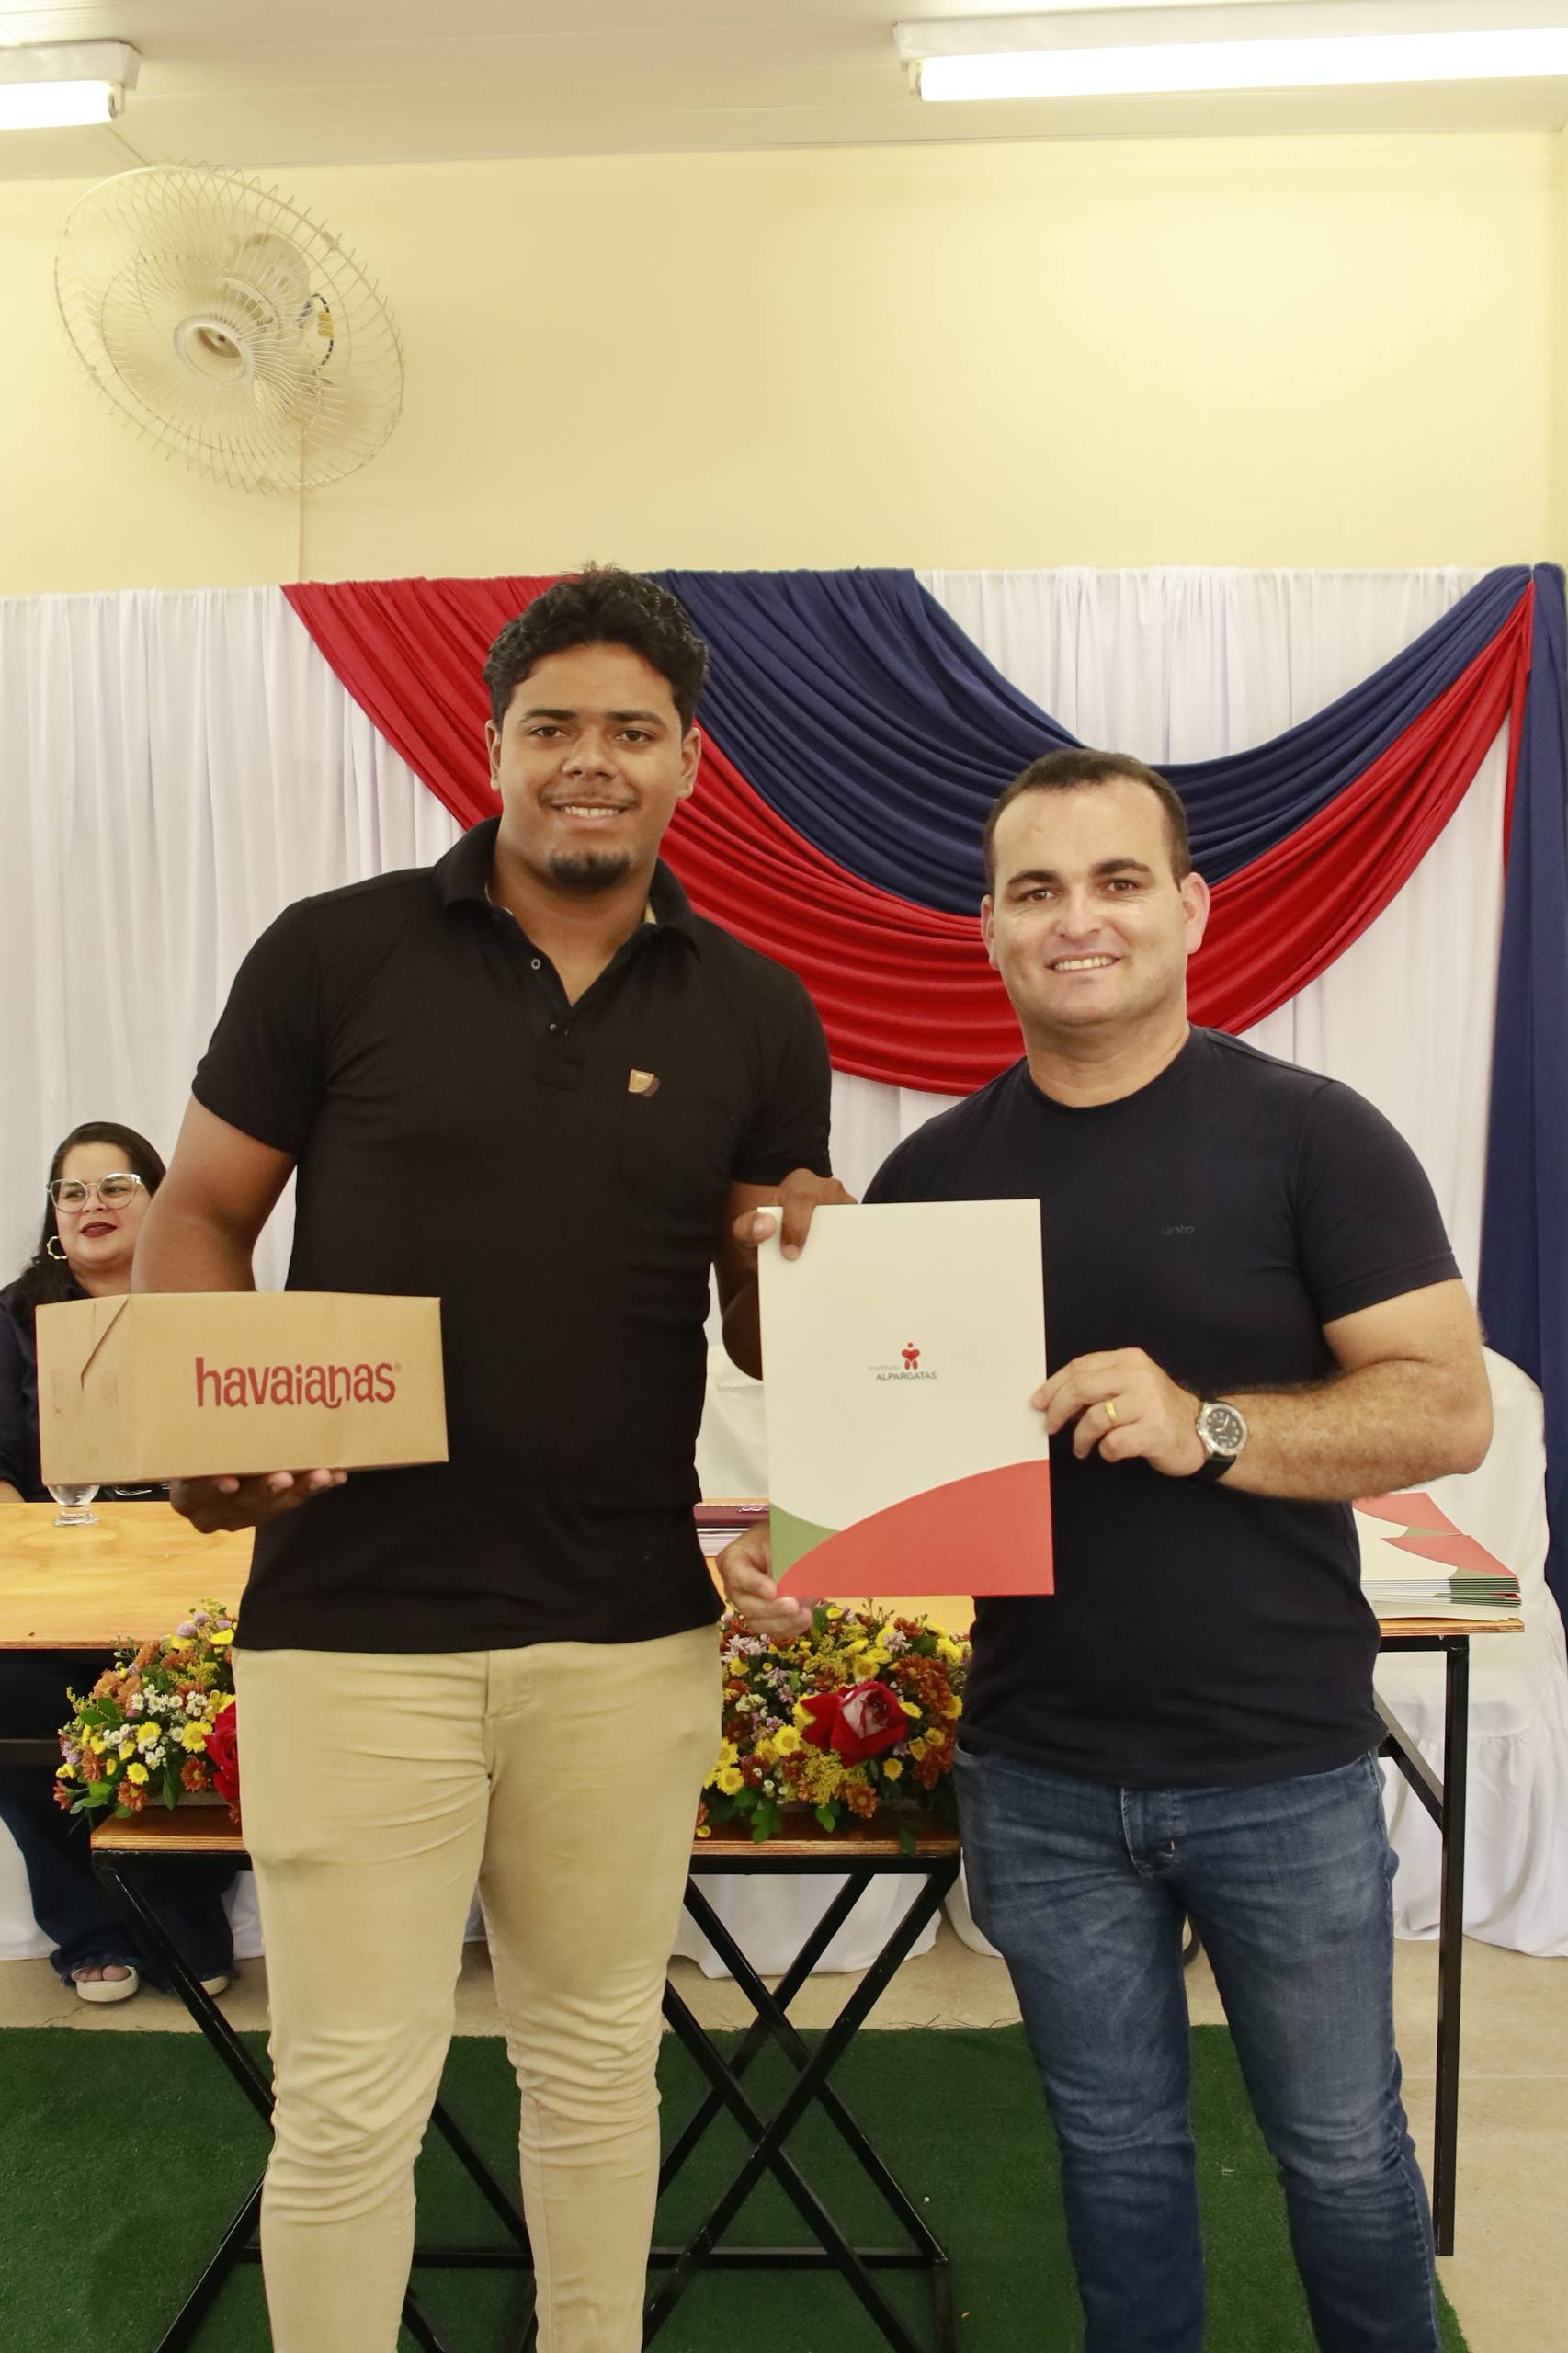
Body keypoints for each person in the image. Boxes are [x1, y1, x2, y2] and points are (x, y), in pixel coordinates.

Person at [133, 567, 847, 2353]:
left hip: (627, 1632)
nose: (589, 759)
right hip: (350, 1630)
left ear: (689, 761)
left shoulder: (760, 1011)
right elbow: (199, 1215)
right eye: (553, 725)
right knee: (347, 2101)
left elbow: (765, 1332)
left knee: (598, 2068)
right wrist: (217, 1421)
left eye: (631, 729)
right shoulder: (332, 952)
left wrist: (810, 1266)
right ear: (493, 747)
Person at [722, 747, 1492, 2353]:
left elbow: (1444, 1409)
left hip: (1279, 1761)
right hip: (1041, 1772)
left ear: (1191, 909)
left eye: (1117, 880)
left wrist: (1209, 1424)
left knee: (1342, 2154)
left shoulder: (1312, 1137)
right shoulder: (935, 1177)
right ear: (990, 929)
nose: (1078, 918)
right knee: (1114, 2156)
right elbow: (906, 1472)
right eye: (1037, 890)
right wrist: (809, 1563)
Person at [0, 1120, 234, 2004]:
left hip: (193, 1585)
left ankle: (180, 1913)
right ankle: (90, 1928)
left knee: (210, 1699)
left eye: (116, 1186)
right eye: (72, 1191)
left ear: (160, 1201)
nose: (91, 1204)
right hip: (59, 1582)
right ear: (54, 1217)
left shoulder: (208, 1309)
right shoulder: (10, 1321)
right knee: (12, 1697)